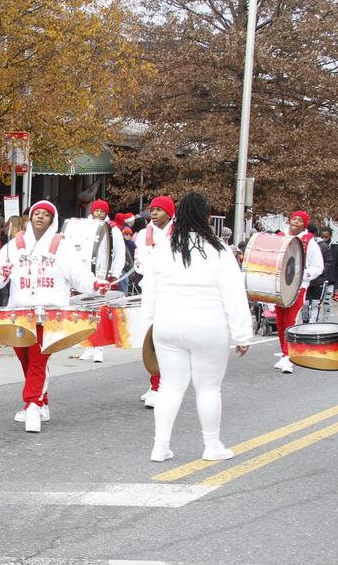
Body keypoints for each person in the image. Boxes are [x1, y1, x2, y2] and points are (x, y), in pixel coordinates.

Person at [141, 192, 252, 463]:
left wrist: (150, 323)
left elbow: (148, 290)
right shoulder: (219, 250)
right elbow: (234, 294)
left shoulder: (164, 248)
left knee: (170, 386)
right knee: (208, 388)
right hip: (208, 325)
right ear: (205, 216)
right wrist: (242, 334)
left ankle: (160, 446)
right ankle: (211, 445)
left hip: (167, 324)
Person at [0, 200, 109, 433]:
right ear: (30, 217)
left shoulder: (62, 247)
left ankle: (32, 404)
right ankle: (41, 402)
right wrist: (0, 273)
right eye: (37, 213)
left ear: (52, 220)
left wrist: (95, 284)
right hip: (19, 315)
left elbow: (78, 274)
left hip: (48, 315)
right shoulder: (13, 246)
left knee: (37, 359)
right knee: (25, 358)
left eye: (45, 214)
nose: (40, 217)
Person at [133, 195, 176, 408]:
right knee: (149, 337)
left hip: (171, 290)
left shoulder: (179, 233)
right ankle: (155, 382)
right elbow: (139, 259)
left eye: (159, 210)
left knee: (164, 338)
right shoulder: (143, 234)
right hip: (150, 288)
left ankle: (161, 385)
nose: (155, 213)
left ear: (169, 213)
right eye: (153, 210)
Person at [273, 211, 323, 373]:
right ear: (289, 220)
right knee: (280, 321)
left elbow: (318, 267)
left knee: (291, 320)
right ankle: (284, 353)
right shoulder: (280, 237)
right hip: (279, 285)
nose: (296, 221)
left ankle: (290, 356)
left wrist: (302, 276)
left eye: (300, 220)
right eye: (294, 218)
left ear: (305, 224)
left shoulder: (310, 242)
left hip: (298, 287)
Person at [78, 198, 125, 362]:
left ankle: (99, 348)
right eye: (96, 210)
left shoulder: (113, 229)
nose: (98, 214)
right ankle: (88, 345)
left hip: (103, 274)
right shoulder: (84, 226)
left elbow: (119, 253)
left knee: (100, 312)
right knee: (85, 311)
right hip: (86, 275)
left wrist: (115, 274)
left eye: (102, 211)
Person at [304, 227, 338, 323]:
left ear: (330, 236)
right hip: (316, 279)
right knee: (308, 302)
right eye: (322, 236)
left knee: (327, 302)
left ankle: (325, 321)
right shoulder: (316, 246)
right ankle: (309, 320)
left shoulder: (336, 248)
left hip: (330, 279)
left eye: (326, 237)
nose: (324, 239)